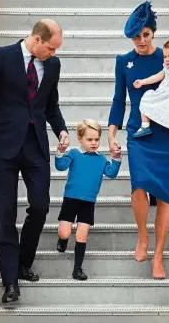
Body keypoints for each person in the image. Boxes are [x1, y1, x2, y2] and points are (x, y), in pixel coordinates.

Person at [0, 19, 70, 305]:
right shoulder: (2, 57)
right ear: (36, 39)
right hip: (2, 147)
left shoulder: (53, 65)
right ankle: (10, 281)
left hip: (35, 145)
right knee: (5, 213)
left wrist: (61, 129)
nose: (53, 54)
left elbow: (51, 105)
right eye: (50, 48)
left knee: (40, 206)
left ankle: (23, 262)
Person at [108, 1, 169, 279]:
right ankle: (142, 238)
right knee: (138, 187)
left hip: (165, 131)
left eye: (145, 34)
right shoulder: (123, 62)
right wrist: (112, 131)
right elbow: (118, 100)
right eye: (136, 36)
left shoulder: (168, 57)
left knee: (163, 195)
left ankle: (158, 255)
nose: (140, 40)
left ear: (153, 32)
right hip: (138, 131)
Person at [55, 119, 121, 280]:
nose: (93, 143)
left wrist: (116, 158)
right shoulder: (74, 153)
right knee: (65, 232)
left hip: (88, 202)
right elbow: (61, 166)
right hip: (71, 199)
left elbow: (111, 173)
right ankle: (62, 240)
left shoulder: (101, 159)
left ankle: (77, 268)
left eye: (97, 139)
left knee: (82, 235)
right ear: (80, 138)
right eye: (89, 139)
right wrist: (60, 152)